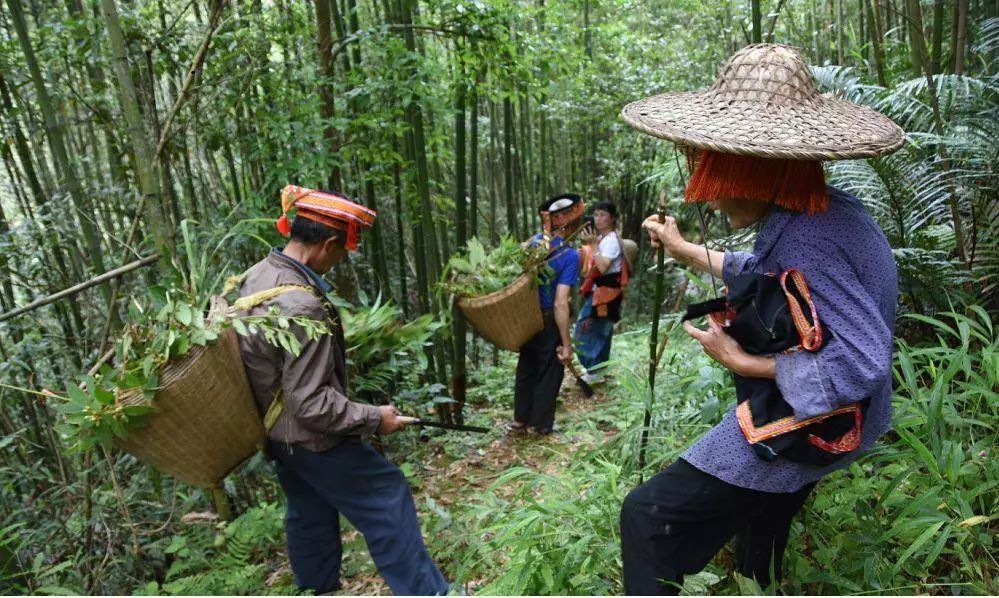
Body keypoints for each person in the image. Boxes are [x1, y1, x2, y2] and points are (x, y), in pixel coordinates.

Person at [618, 44, 904, 593]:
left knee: (649, 518)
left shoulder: (809, 236)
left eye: (714, 164)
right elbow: (769, 273)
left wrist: (745, 361)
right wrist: (684, 249)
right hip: (830, 412)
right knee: (762, 520)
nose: (708, 190)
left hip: (821, 421)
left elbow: (863, 363)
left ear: (754, 166)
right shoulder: (817, 210)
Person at [237, 185, 449, 596]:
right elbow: (311, 403)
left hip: (277, 435)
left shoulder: (257, 276)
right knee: (387, 495)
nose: (340, 260)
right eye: (342, 252)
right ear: (329, 243)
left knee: (310, 512)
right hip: (313, 438)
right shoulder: (301, 305)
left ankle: (316, 589)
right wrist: (375, 418)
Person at [511, 194, 583, 435]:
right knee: (549, 371)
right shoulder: (569, 255)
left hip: (525, 317)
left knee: (527, 367)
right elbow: (560, 303)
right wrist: (566, 343)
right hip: (547, 318)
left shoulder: (532, 245)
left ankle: (520, 421)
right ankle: (539, 425)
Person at [574, 200, 629, 384]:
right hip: (603, 294)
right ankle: (600, 371)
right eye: (596, 214)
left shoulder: (611, 240)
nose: (598, 219)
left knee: (583, 331)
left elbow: (604, 266)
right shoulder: (602, 239)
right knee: (601, 333)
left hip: (605, 296)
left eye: (603, 214)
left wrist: (594, 247)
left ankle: (592, 370)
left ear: (612, 218)